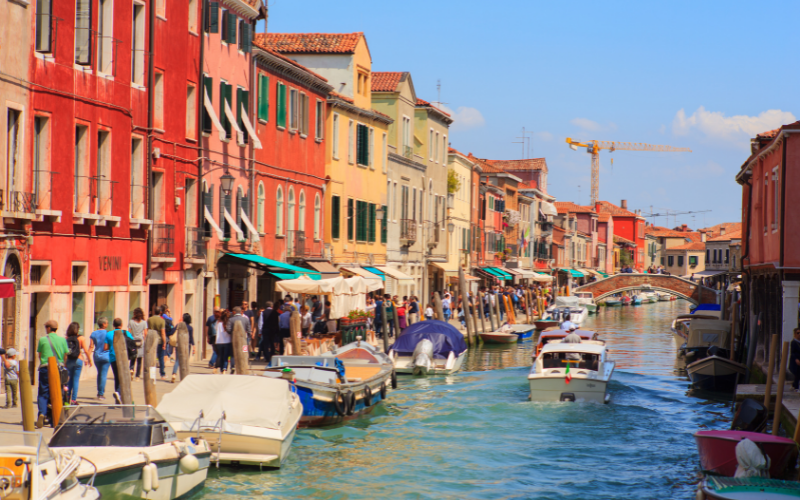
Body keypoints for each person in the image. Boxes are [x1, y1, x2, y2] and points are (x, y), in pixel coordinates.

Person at [36, 320, 67, 428]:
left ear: (49, 328)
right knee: (57, 392)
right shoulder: (62, 340)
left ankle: (42, 413)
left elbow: (40, 355)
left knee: (43, 392)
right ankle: (55, 418)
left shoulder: (43, 340)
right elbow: (65, 355)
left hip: (45, 368)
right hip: (58, 368)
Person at [107, 318, 135, 403]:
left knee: (117, 377)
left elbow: (105, 347)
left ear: (113, 325)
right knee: (123, 377)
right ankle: (119, 393)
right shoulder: (126, 333)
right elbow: (132, 343)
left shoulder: (108, 334)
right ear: (121, 324)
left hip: (113, 358)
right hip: (123, 357)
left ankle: (117, 396)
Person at [65, 322, 91, 405]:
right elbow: (86, 350)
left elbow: (65, 352)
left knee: (69, 379)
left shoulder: (66, 338)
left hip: (69, 360)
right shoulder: (81, 338)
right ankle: (73, 400)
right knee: (76, 380)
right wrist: (89, 359)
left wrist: (64, 362)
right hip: (78, 359)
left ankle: (67, 397)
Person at [89, 317, 111, 400]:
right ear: (104, 324)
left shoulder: (93, 333)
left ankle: (99, 391)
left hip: (97, 356)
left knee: (99, 373)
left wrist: (88, 357)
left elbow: (91, 346)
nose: (108, 324)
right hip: (106, 356)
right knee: (103, 375)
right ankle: (101, 393)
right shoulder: (108, 333)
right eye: (107, 323)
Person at [172, 313, 195, 382]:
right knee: (185, 360)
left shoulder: (178, 325)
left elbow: (172, 331)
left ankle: (174, 374)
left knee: (177, 360)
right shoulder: (190, 328)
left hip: (178, 344)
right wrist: (194, 347)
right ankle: (185, 375)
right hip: (187, 346)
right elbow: (191, 338)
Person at [147, 307, 167, 380]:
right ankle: (162, 374)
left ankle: (151, 374)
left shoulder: (149, 319)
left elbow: (148, 330)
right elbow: (162, 333)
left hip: (151, 340)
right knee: (161, 358)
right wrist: (165, 342)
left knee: (151, 357)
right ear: (160, 312)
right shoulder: (162, 321)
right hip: (159, 341)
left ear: (154, 311)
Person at [128, 308, 147, 380]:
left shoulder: (131, 322)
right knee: (139, 359)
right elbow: (145, 334)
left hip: (133, 341)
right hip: (140, 342)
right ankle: (137, 376)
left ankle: (131, 369)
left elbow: (129, 332)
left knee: (133, 357)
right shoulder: (144, 323)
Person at [214, 309, 232, 373]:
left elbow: (215, 329)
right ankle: (224, 368)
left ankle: (221, 369)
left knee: (221, 356)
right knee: (226, 357)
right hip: (227, 341)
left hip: (219, 341)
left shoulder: (218, 322)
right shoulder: (228, 322)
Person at [791, 328, 800, 392]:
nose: (799, 334)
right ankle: (796, 386)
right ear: (795, 334)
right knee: (797, 374)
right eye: (798, 333)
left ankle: (794, 384)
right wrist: (796, 359)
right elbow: (793, 352)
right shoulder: (794, 342)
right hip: (796, 361)